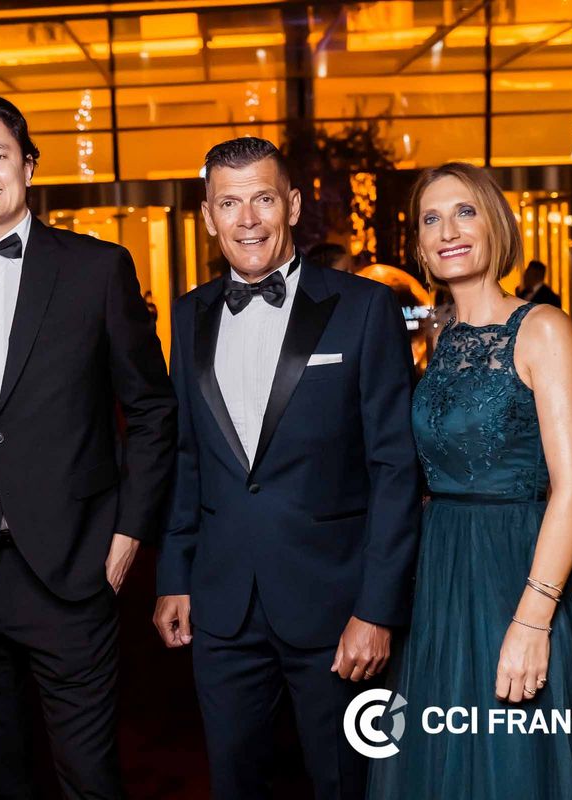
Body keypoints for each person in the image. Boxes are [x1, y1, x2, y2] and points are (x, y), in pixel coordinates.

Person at [0, 95, 176, 799]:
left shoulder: (98, 269)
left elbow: (151, 410)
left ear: (29, 164)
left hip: (73, 563)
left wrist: (130, 533)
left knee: (89, 777)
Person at [153, 136, 422, 800]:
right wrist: (175, 575)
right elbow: (187, 457)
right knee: (234, 783)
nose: (247, 220)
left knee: (346, 782)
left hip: (336, 608)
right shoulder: (188, 314)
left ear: (293, 206)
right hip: (223, 605)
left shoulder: (364, 308)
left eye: (264, 199)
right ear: (208, 216)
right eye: (229, 203)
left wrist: (377, 609)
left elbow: (395, 469)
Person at [368, 163, 572, 799]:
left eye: (465, 212)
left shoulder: (543, 328)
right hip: (440, 571)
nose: (448, 231)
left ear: (496, 225)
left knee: (510, 757)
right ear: (420, 244)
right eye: (431, 219)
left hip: (515, 567)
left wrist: (534, 619)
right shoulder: (443, 338)